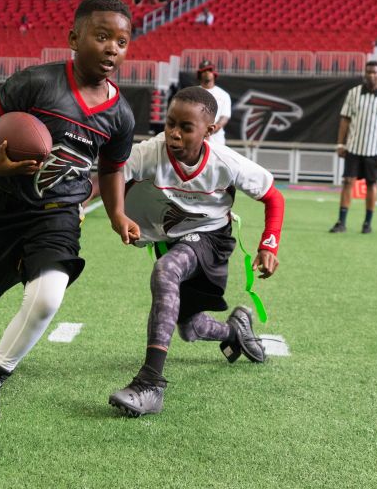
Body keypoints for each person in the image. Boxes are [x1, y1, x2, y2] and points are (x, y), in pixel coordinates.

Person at [0, 0, 140, 422]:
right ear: (73, 37)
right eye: (101, 37)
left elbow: (112, 169)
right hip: (5, 203)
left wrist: (118, 213)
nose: (111, 49)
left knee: (48, 296)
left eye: (121, 42)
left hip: (58, 213)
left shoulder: (120, 114)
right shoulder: (36, 82)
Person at [107, 87, 284, 417]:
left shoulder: (225, 162)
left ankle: (150, 384)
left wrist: (268, 244)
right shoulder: (151, 152)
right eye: (170, 123)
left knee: (166, 272)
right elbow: (114, 171)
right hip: (174, 240)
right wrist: (87, 206)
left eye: (185, 127)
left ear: (210, 131)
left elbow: (273, 197)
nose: (174, 132)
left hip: (212, 240)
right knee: (190, 328)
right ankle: (236, 330)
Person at [329, 62, 377, 235]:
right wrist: (340, 143)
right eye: (368, 72)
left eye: (374, 72)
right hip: (354, 146)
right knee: (347, 182)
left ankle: (367, 223)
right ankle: (341, 222)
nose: (371, 75)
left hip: (375, 149)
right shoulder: (353, 93)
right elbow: (345, 120)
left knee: (372, 184)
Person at [196, 60, 231, 148]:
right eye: (204, 71)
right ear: (199, 74)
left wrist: (211, 130)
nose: (207, 73)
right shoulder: (193, 93)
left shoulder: (223, 95)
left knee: (216, 161)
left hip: (217, 140)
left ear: (214, 73)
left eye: (209, 70)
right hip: (196, 136)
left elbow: (224, 117)